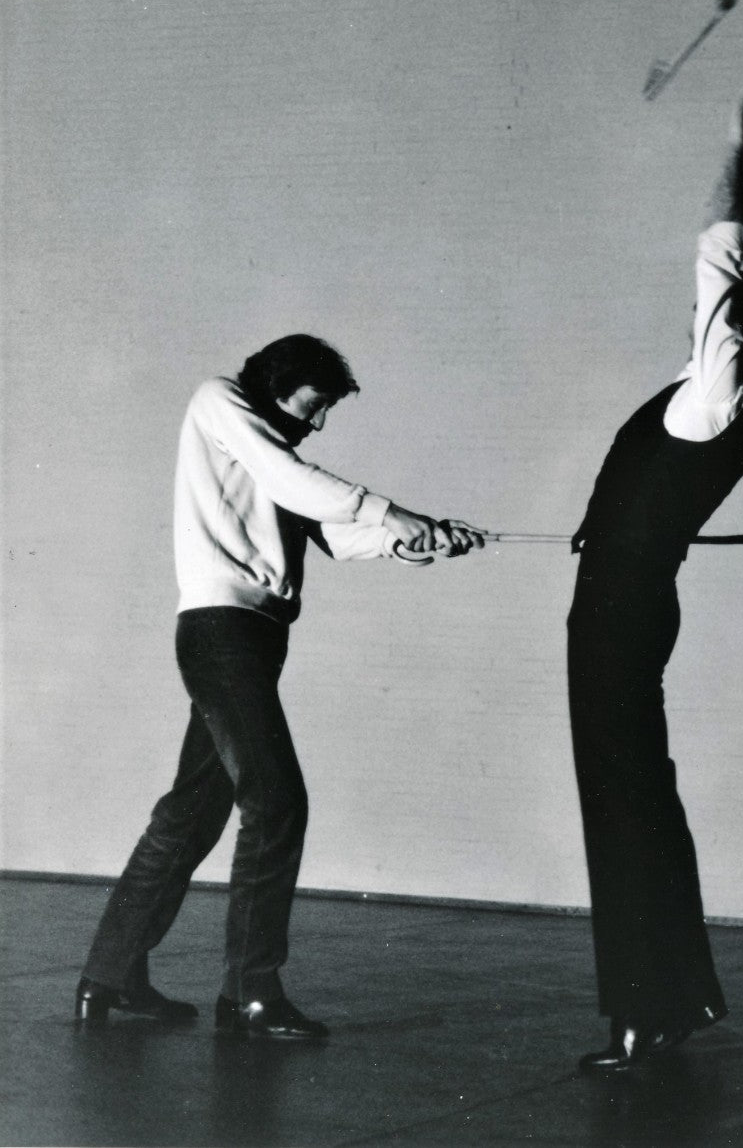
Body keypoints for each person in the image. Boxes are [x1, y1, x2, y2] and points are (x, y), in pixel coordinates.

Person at [75, 334, 483, 1039]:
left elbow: (325, 528)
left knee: (192, 813)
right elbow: (300, 485)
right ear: (279, 383)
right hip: (220, 632)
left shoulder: (270, 453)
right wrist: (390, 513)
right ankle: (250, 995)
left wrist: (416, 538)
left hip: (254, 638)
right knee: (276, 801)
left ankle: (108, 979)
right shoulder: (221, 402)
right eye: (315, 405)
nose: (319, 422)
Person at [566, 68, 743, 1072]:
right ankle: (665, 1002)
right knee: (643, 790)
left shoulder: (708, 392)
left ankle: (644, 1010)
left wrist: (742, 129)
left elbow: (719, 249)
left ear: (734, 331)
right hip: (639, 595)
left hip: (615, 603)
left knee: (620, 797)